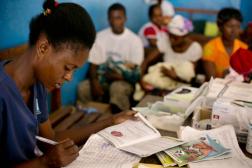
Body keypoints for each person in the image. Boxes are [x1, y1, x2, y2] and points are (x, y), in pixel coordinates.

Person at [0, 0, 136, 167]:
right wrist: (45, 162)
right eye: (67, 67)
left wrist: (111, 121)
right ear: (43, 48)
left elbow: (51, 138)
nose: (69, 77)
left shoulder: (37, 84)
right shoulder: (3, 92)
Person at [78, 3, 144, 113]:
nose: (115, 22)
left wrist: (117, 76)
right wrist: (94, 82)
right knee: (83, 87)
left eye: (118, 18)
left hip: (124, 80)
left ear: (125, 18)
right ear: (108, 19)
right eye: (111, 18)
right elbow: (94, 64)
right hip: (103, 77)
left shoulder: (134, 40)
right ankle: (88, 117)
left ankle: (120, 119)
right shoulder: (100, 37)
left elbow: (134, 72)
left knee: (117, 88)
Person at [140, 15, 202, 92]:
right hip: (163, 83)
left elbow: (190, 78)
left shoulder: (195, 48)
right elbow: (146, 61)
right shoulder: (165, 41)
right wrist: (141, 80)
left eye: (175, 38)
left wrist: (174, 77)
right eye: (170, 36)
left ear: (185, 36)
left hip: (182, 86)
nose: (171, 40)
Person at [202, 8, 248, 80]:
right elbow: (211, 79)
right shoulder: (210, 48)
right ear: (220, 26)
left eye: (238, 26)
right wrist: (224, 76)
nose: (234, 31)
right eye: (230, 26)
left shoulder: (244, 48)